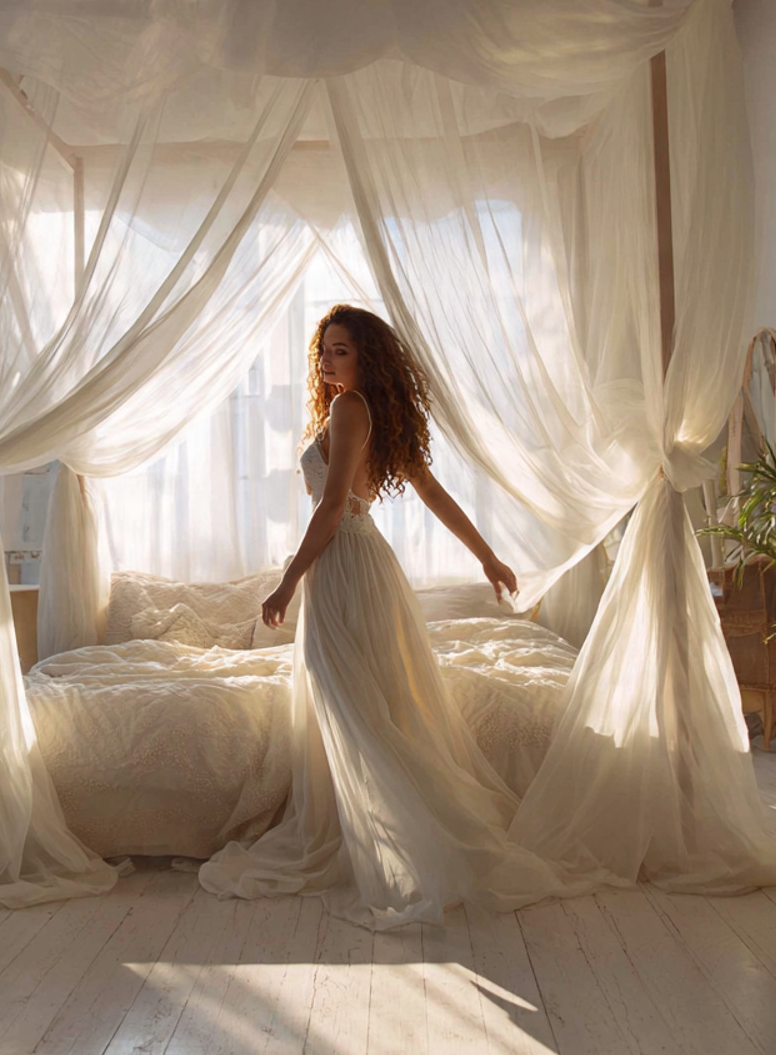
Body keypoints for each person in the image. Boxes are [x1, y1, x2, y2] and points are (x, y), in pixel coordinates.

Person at [199, 305, 562, 928]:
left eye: (340, 350)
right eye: (324, 350)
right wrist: (488, 558)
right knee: (363, 705)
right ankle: (387, 838)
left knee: (355, 708)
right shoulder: (367, 410)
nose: (327, 361)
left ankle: (406, 848)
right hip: (363, 566)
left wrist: (287, 583)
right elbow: (429, 493)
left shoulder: (349, 410)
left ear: (366, 354)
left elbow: (336, 504)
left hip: (344, 565)